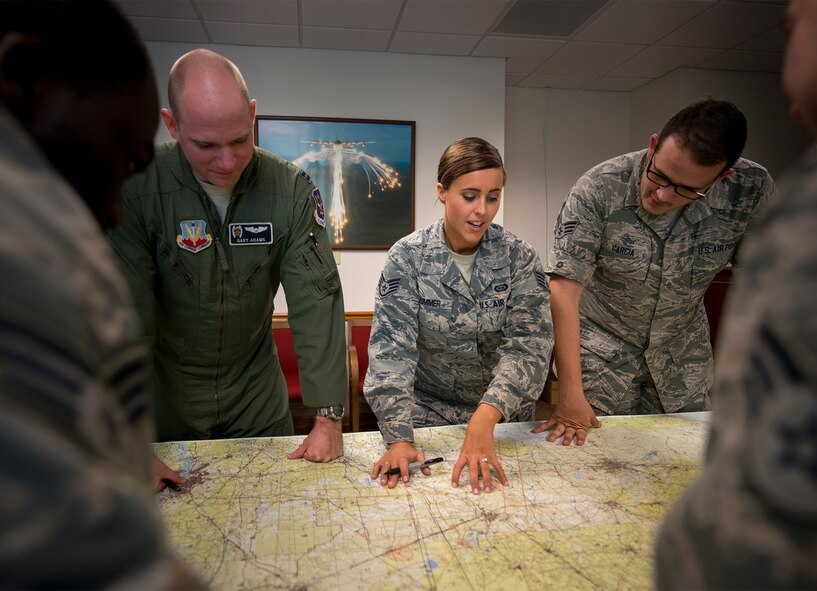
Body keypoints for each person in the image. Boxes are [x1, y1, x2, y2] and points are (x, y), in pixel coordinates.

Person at [0, 1, 203, 587]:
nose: (115, 209)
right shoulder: (39, 250)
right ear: (24, 77)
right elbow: (103, 563)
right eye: (123, 157)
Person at [108, 49, 348, 487]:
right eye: (206, 145)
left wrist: (329, 419)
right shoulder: (136, 187)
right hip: (166, 393)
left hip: (255, 390)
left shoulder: (291, 190)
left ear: (253, 115)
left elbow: (317, 301)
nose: (227, 162)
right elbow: (124, 317)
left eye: (239, 140)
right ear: (172, 124)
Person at [656, 1, 817, 588]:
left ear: (722, 178)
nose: (787, 31)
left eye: (799, 18)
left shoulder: (792, 206)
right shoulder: (806, 196)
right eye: (659, 175)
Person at [534, 97, 778, 446]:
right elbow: (563, 290)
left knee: (685, 462)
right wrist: (570, 392)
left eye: (686, 188)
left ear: (722, 177)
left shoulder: (749, 192)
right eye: (659, 175)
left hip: (682, 358)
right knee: (598, 467)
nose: (663, 194)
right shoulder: (601, 187)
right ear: (653, 146)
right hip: (601, 358)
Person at [365, 137, 553, 494]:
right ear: (442, 191)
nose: (482, 209)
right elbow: (391, 353)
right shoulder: (408, 258)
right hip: (425, 419)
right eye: (469, 196)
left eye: (493, 196)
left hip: (501, 418)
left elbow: (530, 348)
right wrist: (398, 438)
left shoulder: (519, 258)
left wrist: (486, 417)